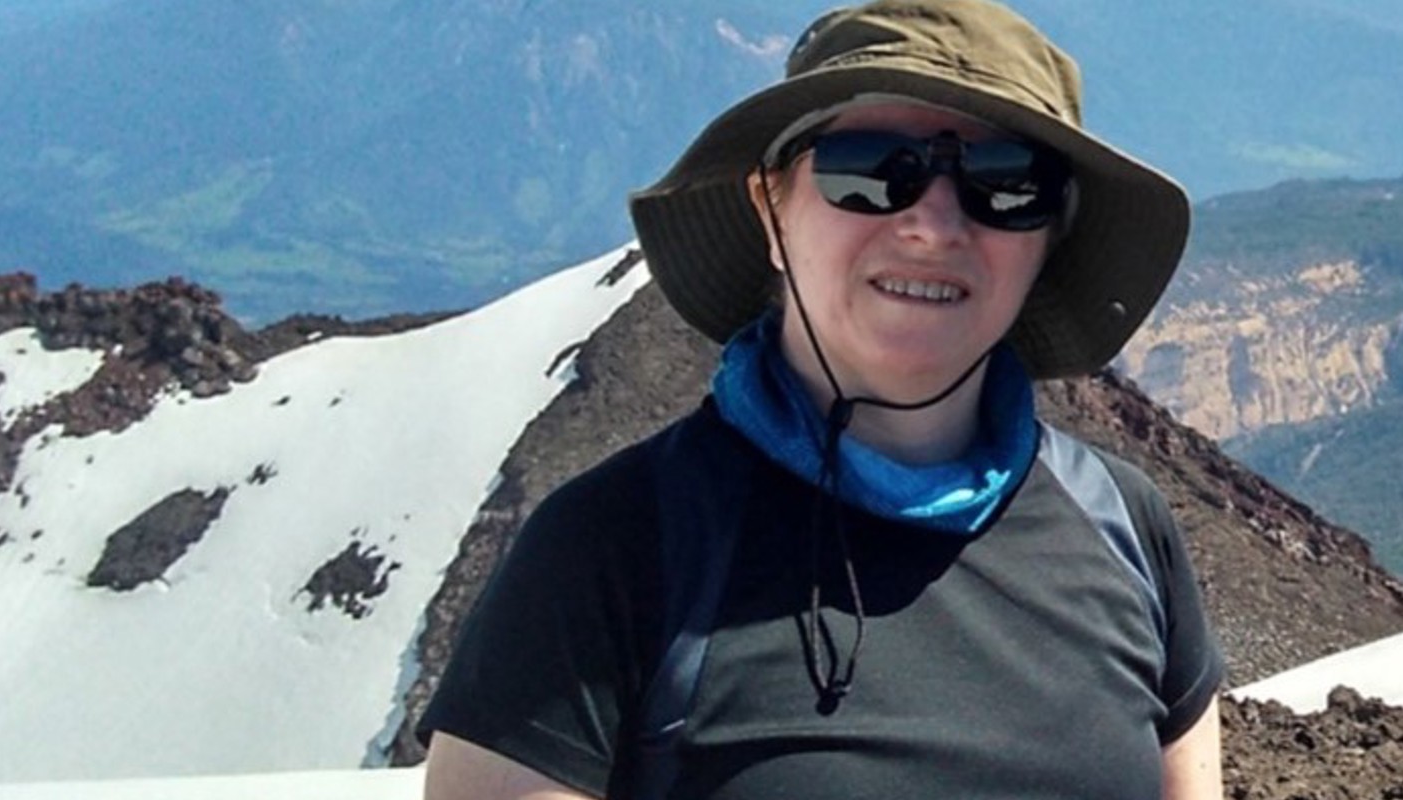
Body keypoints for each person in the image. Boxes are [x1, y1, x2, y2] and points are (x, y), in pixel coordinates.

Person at [418, 1, 1226, 797]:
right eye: (870, 168)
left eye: (1006, 182)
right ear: (771, 209)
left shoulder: (1127, 528)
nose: (934, 225)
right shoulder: (612, 551)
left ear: (1050, 239)